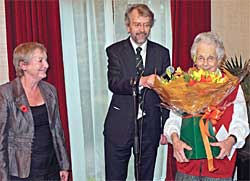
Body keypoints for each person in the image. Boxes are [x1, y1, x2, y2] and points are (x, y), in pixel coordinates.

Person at [164, 31, 249, 180]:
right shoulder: (183, 84)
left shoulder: (231, 86)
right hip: (187, 165)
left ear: (219, 59)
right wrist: (175, 141)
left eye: (210, 58)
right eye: (200, 58)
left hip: (219, 168)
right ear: (194, 59)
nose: (205, 63)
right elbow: (173, 120)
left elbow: (241, 124)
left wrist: (230, 141)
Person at [103, 3, 170, 181]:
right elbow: (114, 83)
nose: (142, 30)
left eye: (146, 24)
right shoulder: (114, 51)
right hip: (118, 127)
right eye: (137, 24)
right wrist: (142, 81)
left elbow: (167, 94)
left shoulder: (162, 53)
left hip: (150, 128)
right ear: (128, 26)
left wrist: (166, 127)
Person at [0, 42, 70, 181]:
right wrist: (3, 176)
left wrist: (63, 165)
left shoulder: (50, 90)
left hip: (50, 167)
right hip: (22, 171)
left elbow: (57, 130)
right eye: (40, 61)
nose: (46, 65)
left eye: (46, 60)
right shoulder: (6, 93)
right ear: (23, 65)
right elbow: (1, 139)